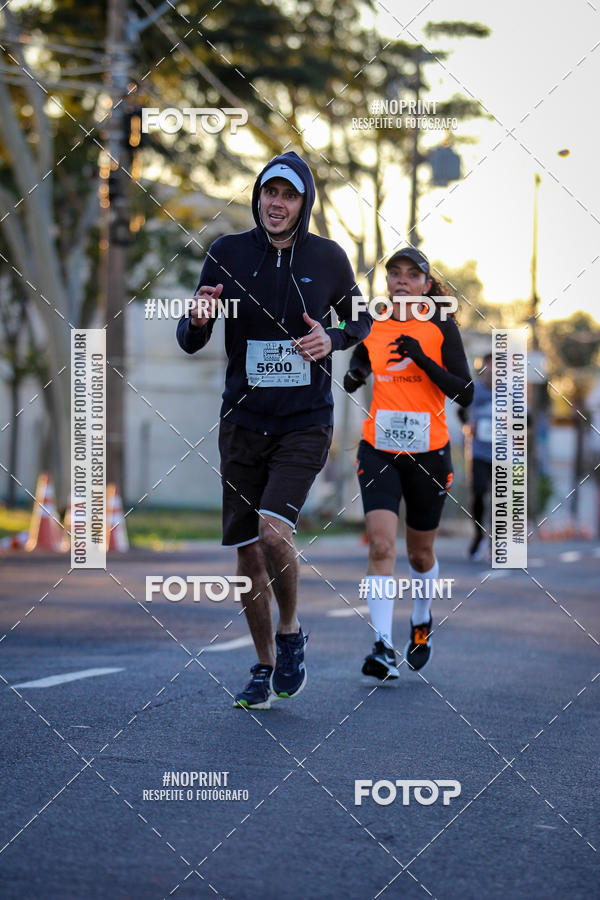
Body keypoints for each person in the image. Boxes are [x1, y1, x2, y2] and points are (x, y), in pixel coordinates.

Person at [177, 151, 372, 709]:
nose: (276, 203)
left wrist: (331, 339)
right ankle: (263, 665)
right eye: (269, 193)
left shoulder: (329, 258)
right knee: (245, 553)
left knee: (272, 534)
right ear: (257, 196)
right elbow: (190, 339)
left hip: (304, 422)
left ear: (303, 202)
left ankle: (290, 631)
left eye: (288, 195)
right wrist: (196, 319)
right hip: (241, 421)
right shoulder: (227, 253)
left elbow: (361, 320)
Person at [343, 247, 473, 678]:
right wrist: (356, 373)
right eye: (394, 274)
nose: (401, 281)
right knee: (381, 545)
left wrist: (420, 357)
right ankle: (381, 646)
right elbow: (366, 353)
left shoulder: (441, 327)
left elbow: (465, 392)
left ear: (426, 285)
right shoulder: (374, 321)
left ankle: (421, 620)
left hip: (429, 454)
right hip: (378, 448)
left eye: (411, 275)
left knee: (419, 555)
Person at [458, 353, 493, 560]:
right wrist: (467, 425)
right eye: (487, 368)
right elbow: (461, 412)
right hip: (479, 452)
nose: (491, 373)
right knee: (478, 493)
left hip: (503, 455)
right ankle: (479, 535)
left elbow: (528, 421)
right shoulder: (474, 390)